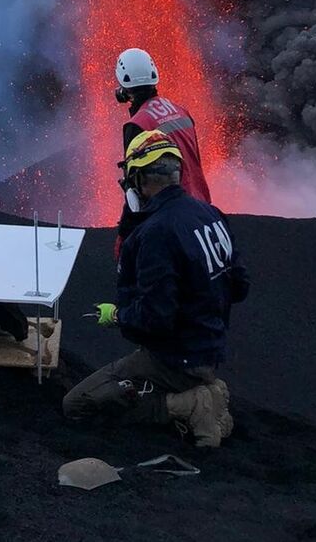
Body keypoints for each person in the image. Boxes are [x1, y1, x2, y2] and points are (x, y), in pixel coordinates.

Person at [63, 130, 249, 447]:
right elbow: (240, 286)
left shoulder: (156, 233)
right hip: (209, 350)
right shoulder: (210, 214)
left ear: (139, 180)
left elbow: (156, 318)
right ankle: (205, 389)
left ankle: (190, 404)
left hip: (176, 359)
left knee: (78, 404)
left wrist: (118, 316)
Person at [114, 48, 210, 247]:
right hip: (202, 207)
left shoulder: (137, 124)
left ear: (124, 86)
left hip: (170, 218)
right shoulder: (181, 111)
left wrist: (125, 237)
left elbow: (135, 189)